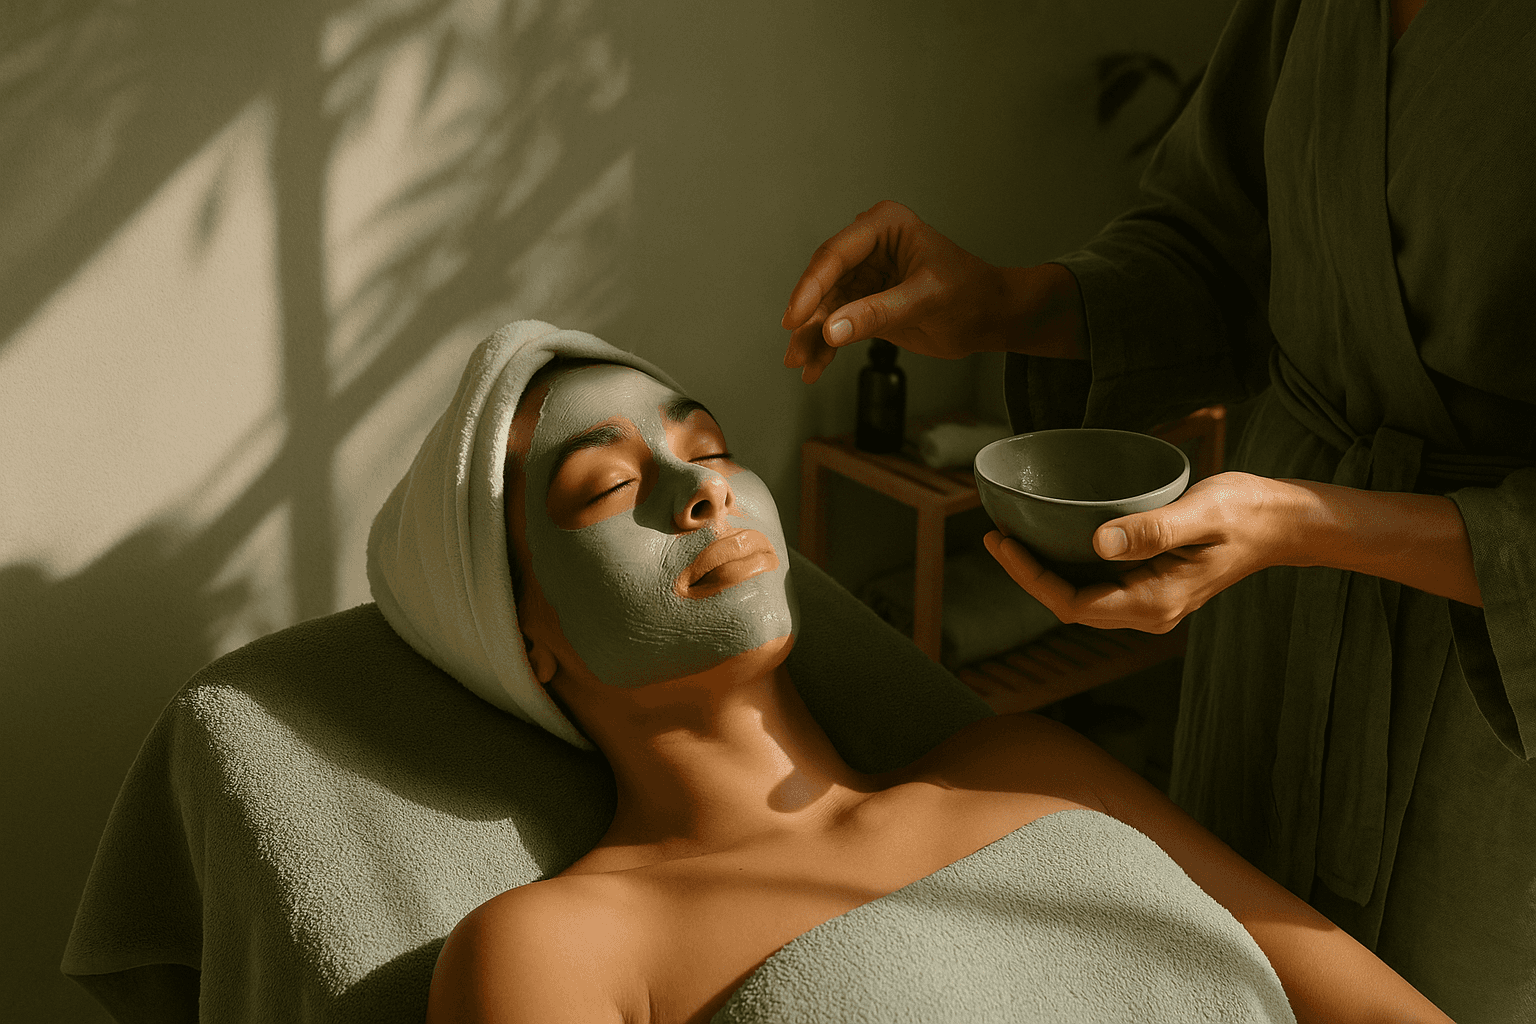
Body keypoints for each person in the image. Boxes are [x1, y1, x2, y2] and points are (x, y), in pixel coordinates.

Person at [780, 0, 1535, 1021]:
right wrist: (1008, 303)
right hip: (1270, 640)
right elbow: (1221, 249)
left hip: (1492, 701)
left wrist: (1307, 526)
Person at [388, 323, 1453, 1023]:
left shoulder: (1025, 765)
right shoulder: (556, 949)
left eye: (708, 448)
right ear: (518, 633)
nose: (703, 491)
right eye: (607, 487)